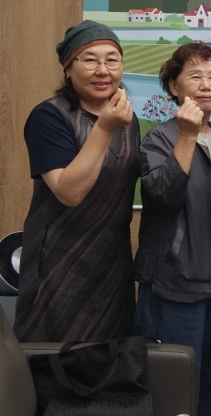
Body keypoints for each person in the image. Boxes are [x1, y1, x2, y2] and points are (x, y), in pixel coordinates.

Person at [15, 20, 139, 342]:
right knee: (55, 359)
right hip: (59, 265)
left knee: (111, 358)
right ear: (68, 68)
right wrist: (104, 128)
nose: (103, 70)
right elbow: (68, 192)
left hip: (112, 265)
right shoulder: (49, 117)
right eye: (90, 60)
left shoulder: (127, 119)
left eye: (112, 60)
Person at [134, 42, 211, 416]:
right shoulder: (160, 138)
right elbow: (162, 195)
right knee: (175, 383)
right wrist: (188, 136)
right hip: (175, 280)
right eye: (195, 76)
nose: (206, 85)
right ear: (174, 86)